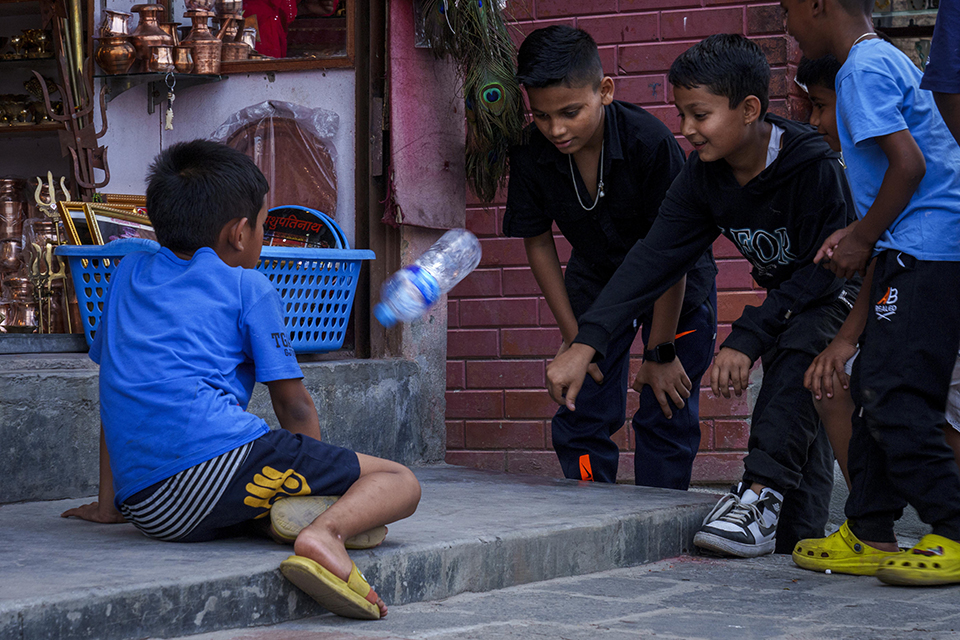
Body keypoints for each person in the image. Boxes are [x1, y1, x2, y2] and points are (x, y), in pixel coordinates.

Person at [60, 140, 422, 618]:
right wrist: (317, 476)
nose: (263, 237)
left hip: (150, 509)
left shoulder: (128, 273)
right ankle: (324, 531)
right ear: (238, 233)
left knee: (260, 490)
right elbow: (294, 406)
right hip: (215, 468)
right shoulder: (249, 286)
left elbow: (117, 391)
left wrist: (110, 506)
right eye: (264, 227)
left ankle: (283, 517)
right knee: (400, 481)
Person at [546, 33, 860, 558]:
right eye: (682, 114)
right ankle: (794, 539)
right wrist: (587, 342)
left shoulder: (812, 167)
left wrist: (748, 336)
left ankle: (757, 494)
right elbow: (653, 257)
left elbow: (824, 277)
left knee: (798, 353)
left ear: (749, 109)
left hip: (848, 292)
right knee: (800, 382)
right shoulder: (703, 175)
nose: (686, 129)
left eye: (699, 115)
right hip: (791, 296)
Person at [781, 0, 960, 585]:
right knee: (875, 385)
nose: (787, 25)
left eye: (788, 9)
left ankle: (953, 527)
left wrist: (860, 236)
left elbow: (907, 166)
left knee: (893, 394)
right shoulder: (884, 57)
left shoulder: (857, 71)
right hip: (920, 247)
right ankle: (868, 529)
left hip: (928, 252)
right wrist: (864, 235)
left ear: (818, 5)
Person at [504, 25, 718, 489]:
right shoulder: (528, 151)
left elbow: (672, 251)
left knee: (666, 409)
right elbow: (538, 240)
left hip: (677, 285)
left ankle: (659, 521)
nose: (556, 129)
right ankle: (588, 508)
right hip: (598, 280)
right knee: (581, 409)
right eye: (541, 116)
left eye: (570, 112)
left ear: (604, 91)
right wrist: (574, 336)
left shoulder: (649, 142)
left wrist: (660, 350)